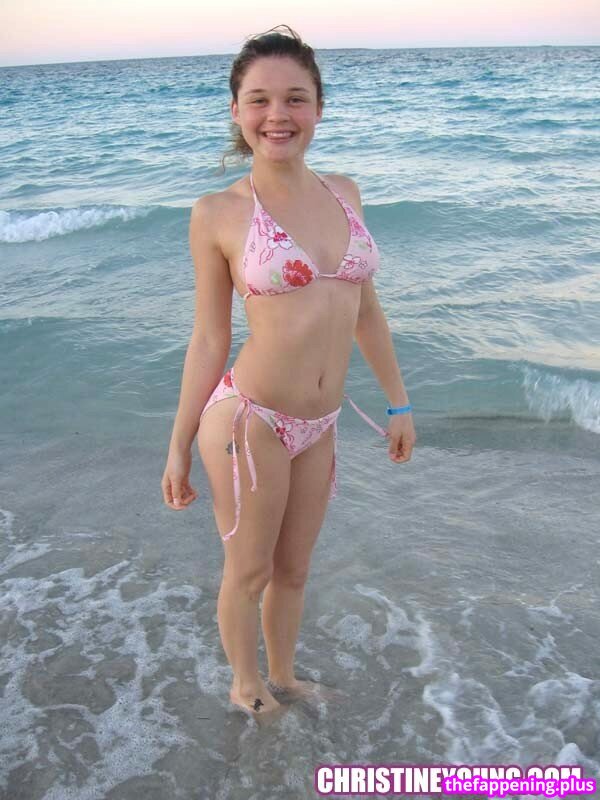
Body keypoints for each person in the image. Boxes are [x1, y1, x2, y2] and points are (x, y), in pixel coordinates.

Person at [161, 24, 416, 719]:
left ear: (319, 107)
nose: (278, 115)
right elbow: (209, 338)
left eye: (296, 98)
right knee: (249, 571)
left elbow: (366, 311)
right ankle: (246, 689)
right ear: (237, 111)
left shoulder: (345, 192)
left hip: (321, 424)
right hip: (250, 421)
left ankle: (285, 677)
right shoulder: (217, 213)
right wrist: (178, 445)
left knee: (294, 570)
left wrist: (398, 403)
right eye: (260, 100)